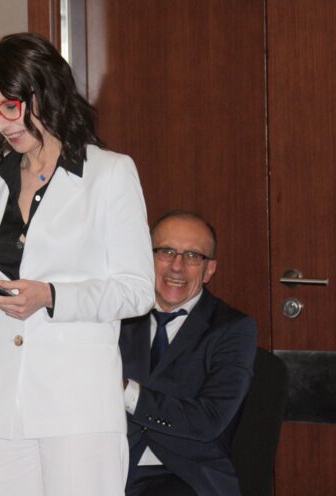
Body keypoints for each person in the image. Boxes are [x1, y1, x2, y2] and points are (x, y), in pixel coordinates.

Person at [0, 32, 155, 496]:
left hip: (76, 400)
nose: (1, 123)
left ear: (46, 91)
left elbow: (137, 290)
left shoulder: (109, 173)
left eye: (10, 107)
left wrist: (51, 296)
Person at [119, 210, 257, 496]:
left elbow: (209, 419)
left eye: (193, 256)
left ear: (209, 270)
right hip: (109, 465)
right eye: (166, 252)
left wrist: (125, 391)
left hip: (185, 475)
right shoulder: (117, 316)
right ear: (146, 258)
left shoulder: (232, 329)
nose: (177, 266)